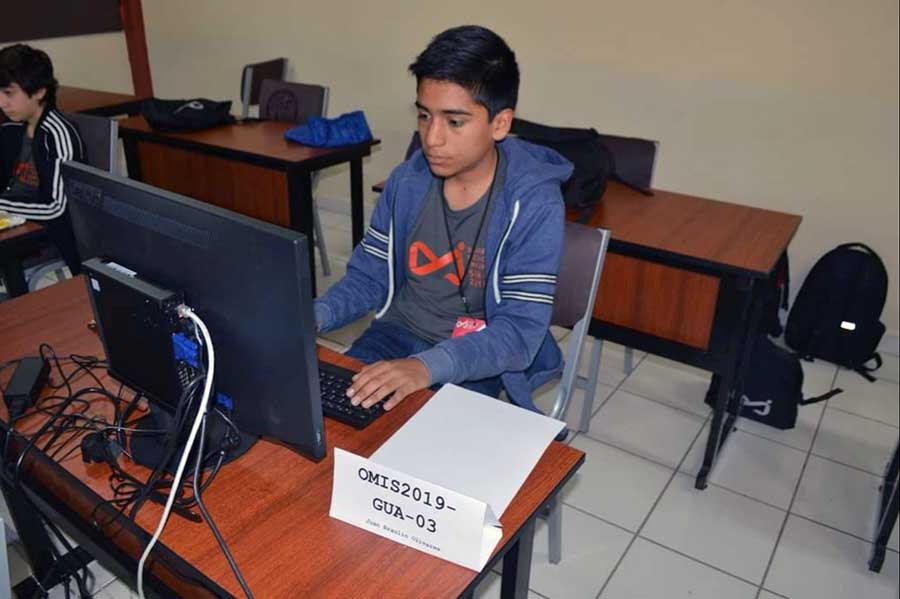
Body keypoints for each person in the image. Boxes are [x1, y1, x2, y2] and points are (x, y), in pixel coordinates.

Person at [314, 25, 572, 413]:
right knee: (328, 424)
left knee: (430, 458)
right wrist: (311, 317)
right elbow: (368, 278)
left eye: (454, 122)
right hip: (395, 334)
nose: (431, 138)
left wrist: (424, 367)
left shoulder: (534, 203)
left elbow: (518, 333)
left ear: (499, 124)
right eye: (424, 116)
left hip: (477, 357)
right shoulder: (407, 183)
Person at [1, 43, 84, 275]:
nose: (1, 102)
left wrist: (2, 206)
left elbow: (56, 208)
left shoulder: (58, 134)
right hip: (13, 219)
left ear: (38, 91)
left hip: (45, 233)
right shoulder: (11, 127)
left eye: (9, 93)